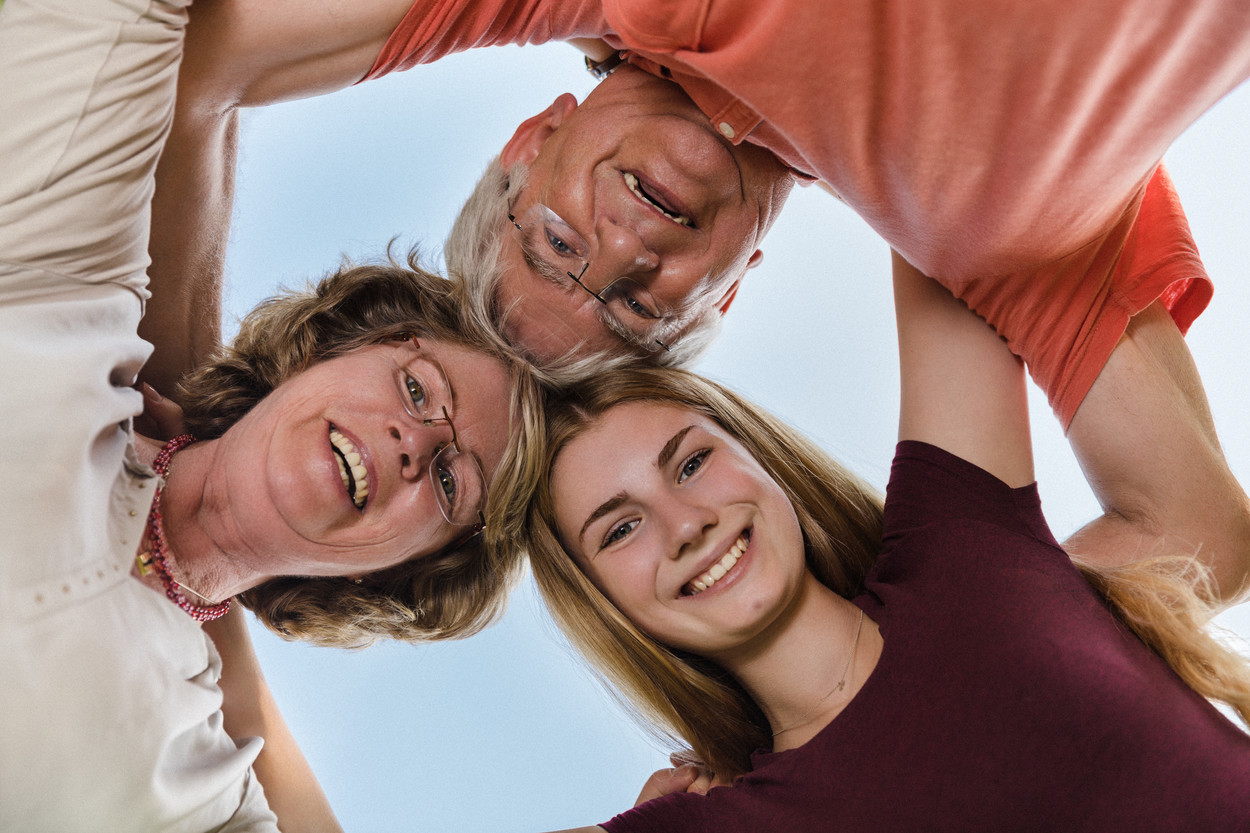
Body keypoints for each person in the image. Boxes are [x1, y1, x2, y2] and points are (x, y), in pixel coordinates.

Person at [147, 0, 1250, 599]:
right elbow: (1194, 534)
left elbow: (196, 72)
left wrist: (192, 398)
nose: (624, 244)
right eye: (635, 306)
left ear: (530, 143)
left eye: (557, 241)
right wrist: (850, 671)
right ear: (734, 290)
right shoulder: (977, 227)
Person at [0, 0, 538, 829]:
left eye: (447, 477)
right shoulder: (62, 294)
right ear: (326, 351)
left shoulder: (197, 784)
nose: (414, 438)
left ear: (397, 571)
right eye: (417, 388)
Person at [493, 255, 1250, 831]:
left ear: (758, 455)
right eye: (621, 528)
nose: (685, 523)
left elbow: (939, 171)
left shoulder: (959, 535)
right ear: (601, 601)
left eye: (691, 462)